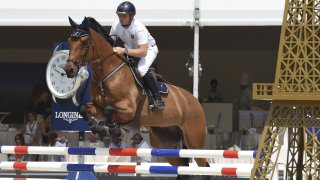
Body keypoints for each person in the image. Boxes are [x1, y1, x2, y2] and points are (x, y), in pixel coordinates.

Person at [109, 1, 165, 110]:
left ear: (131, 16)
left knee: (141, 69)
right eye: (119, 15)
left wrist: (124, 50)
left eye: (124, 15)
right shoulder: (116, 26)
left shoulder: (139, 28)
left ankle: (158, 99)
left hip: (149, 50)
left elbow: (143, 52)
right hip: (131, 49)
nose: (121, 18)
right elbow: (110, 41)